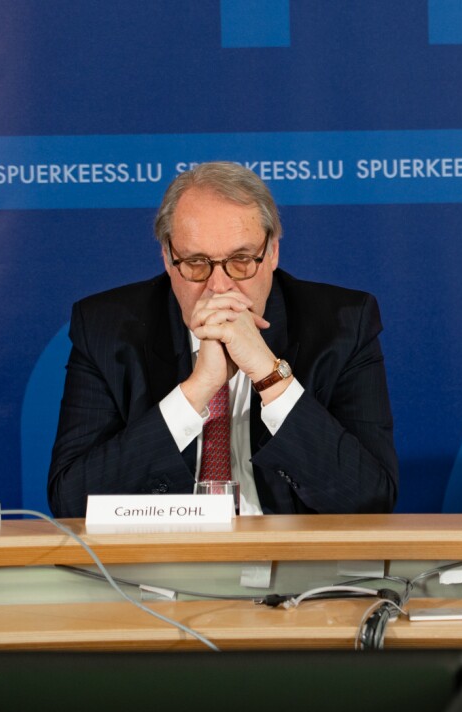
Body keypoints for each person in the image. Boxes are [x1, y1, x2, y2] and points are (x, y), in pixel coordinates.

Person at [48, 161, 399, 517]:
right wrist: (198, 388)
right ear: (168, 258)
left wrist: (268, 374)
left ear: (273, 252)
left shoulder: (341, 324)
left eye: (241, 260)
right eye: (197, 263)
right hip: (159, 565)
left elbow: (369, 500)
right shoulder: (106, 329)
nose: (219, 286)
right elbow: (72, 504)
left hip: (294, 563)